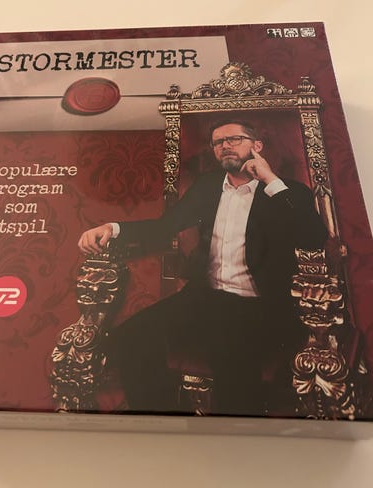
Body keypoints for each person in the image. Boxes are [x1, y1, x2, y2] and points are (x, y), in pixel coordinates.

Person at [78, 120, 328, 415]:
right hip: (205, 298)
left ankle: (232, 435)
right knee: (132, 338)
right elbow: (166, 226)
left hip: (259, 307)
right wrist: (113, 228)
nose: (225, 146)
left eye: (234, 139)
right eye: (218, 142)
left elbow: (313, 237)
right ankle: (161, 419)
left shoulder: (286, 192)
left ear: (257, 146)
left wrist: (270, 179)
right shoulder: (208, 186)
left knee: (231, 367)